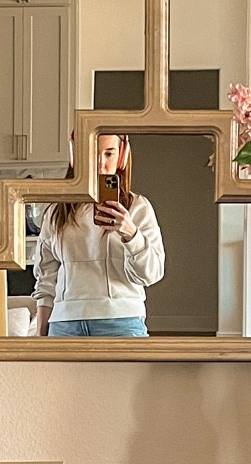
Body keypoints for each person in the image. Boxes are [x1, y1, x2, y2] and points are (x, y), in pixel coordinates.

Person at [34, 133, 164, 337]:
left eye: (109, 154)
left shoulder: (138, 208)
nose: (100, 164)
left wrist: (131, 233)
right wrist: (41, 332)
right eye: (91, 154)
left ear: (122, 156)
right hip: (64, 324)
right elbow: (46, 278)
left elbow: (151, 274)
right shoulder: (56, 211)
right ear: (74, 156)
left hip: (121, 322)